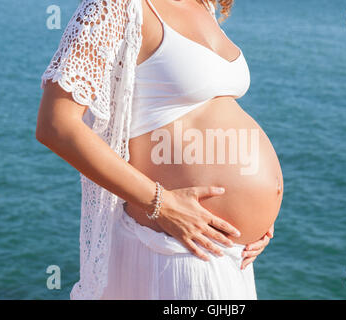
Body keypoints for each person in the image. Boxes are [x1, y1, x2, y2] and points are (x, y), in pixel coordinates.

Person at [36, 0, 283, 299]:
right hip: (174, 249)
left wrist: (257, 216)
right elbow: (56, 125)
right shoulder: (114, 5)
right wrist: (162, 204)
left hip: (227, 252)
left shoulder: (203, 6)